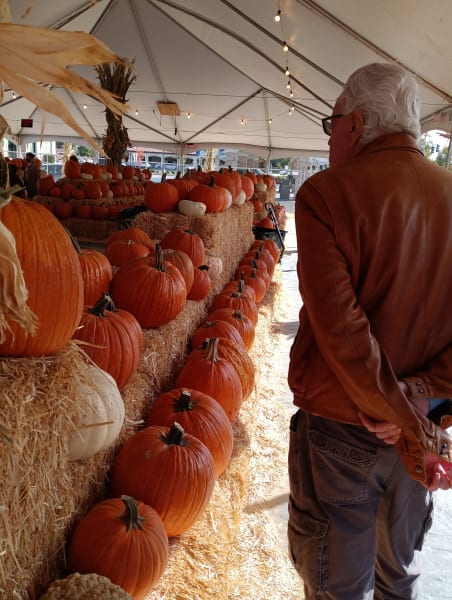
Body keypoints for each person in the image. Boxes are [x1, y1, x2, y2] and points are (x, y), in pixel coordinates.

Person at [287, 62, 452, 599]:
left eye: (331, 121)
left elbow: (343, 334)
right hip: (422, 431)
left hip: (342, 431)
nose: (330, 133)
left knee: (337, 586)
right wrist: (421, 408)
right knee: (397, 578)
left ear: (355, 124)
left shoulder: (325, 195)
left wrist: (399, 414)